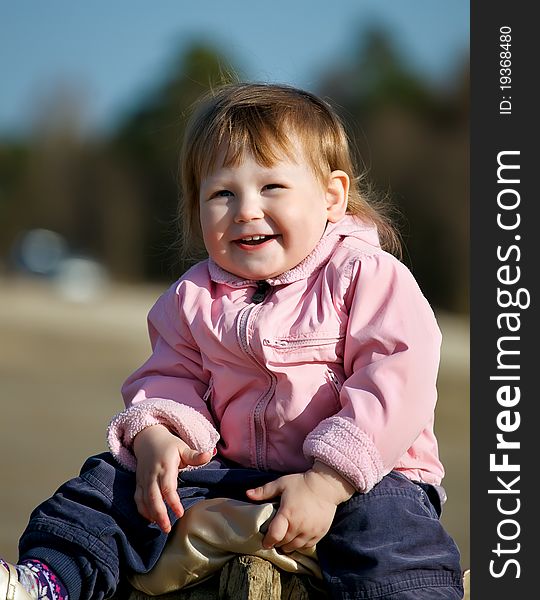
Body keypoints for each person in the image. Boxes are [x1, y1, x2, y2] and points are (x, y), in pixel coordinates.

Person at [1, 82, 464, 600]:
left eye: (271, 188)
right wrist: (158, 436)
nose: (245, 210)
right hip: (234, 472)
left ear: (331, 196)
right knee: (107, 485)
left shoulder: (367, 276)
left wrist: (328, 482)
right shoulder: (193, 297)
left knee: (391, 531)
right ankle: (46, 582)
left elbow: (395, 380)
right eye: (222, 193)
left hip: (364, 477)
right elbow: (169, 377)